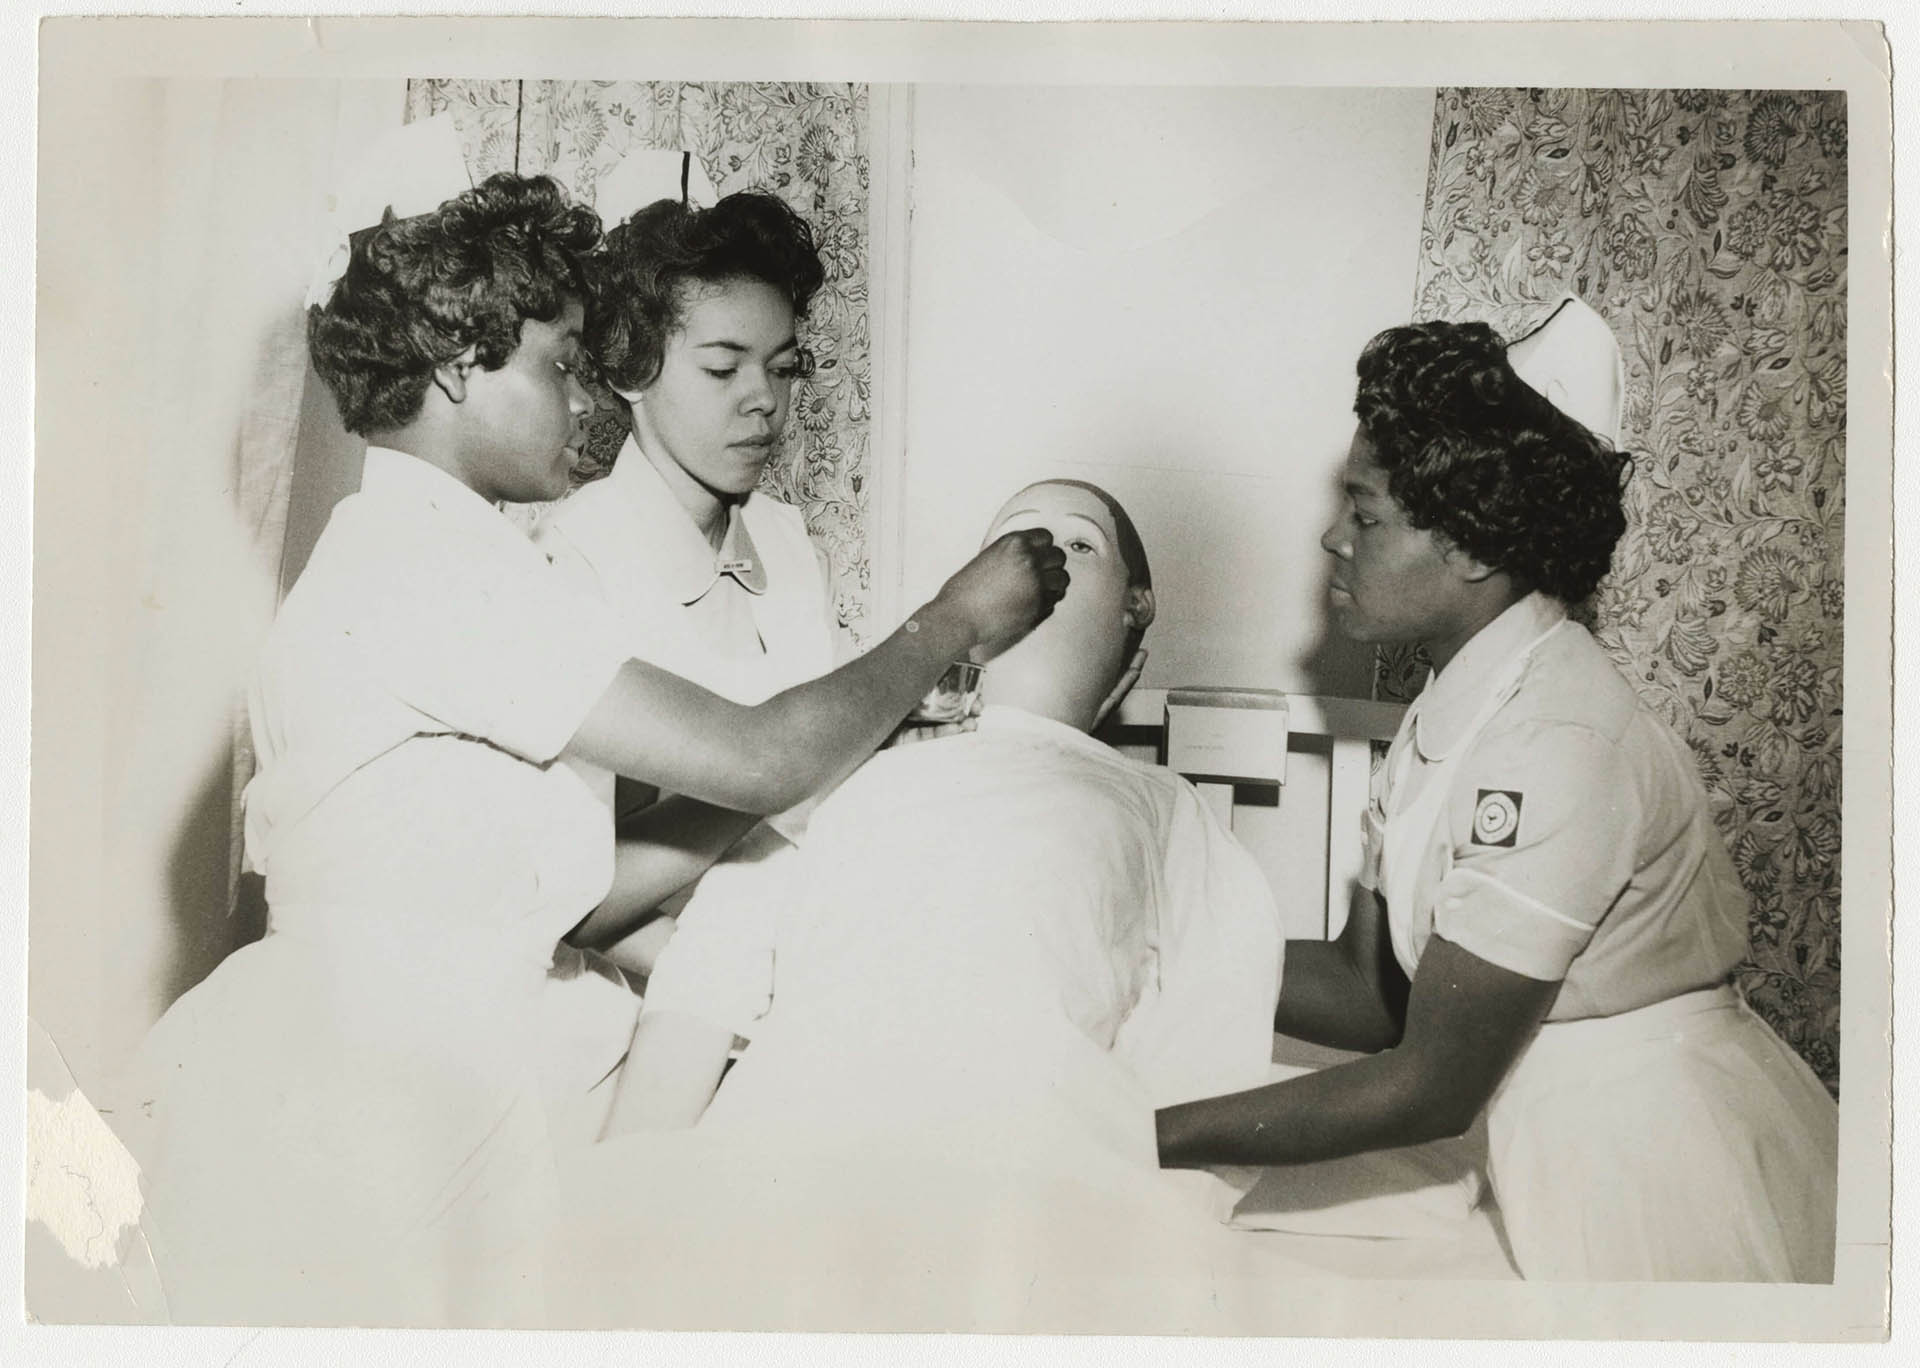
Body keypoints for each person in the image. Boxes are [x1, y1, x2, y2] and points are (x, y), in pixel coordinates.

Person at [121, 166, 1066, 1328]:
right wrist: (954, 623)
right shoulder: (439, 573)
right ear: (463, 367)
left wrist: (835, 757)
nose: (586, 405)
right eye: (560, 368)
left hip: (430, 1045)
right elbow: (761, 761)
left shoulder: (426, 553)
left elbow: (569, 889)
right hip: (383, 1093)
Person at [1154, 301, 1839, 1283]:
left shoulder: (1556, 742)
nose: (1331, 541)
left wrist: (1146, 1135)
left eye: (1367, 514)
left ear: (1474, 548)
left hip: (1646, 1158)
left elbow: (1431, 1083)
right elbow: (1373, 988)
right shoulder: (1464, 696)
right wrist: (1166, 954)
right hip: (1542, 1122)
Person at [544, 479, 1302, 1330]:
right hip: (798, 1147)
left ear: (1137, 611)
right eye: (1015, 542)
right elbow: (703, 983)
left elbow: (1205, 1057)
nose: (1040, 564)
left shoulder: (1165, 808)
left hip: (1023, 1168)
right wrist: (619, 1219)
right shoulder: (851, 772)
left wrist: (1144, 1249)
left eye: (1078, 546)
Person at [525, 164, 841, 1138]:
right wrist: (779, 777)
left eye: (782, 367)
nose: (763, 402)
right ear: (628, 369)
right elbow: (577, 905)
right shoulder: (563, 563)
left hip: (775, 1011)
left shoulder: (787, 545)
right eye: (722, 366)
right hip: (605, 1039)